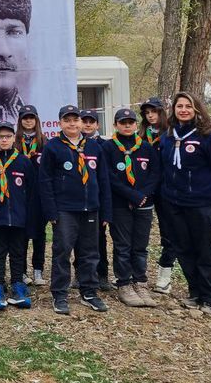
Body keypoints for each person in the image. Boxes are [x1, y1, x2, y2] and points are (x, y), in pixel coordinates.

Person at [159, 91, 211, 315]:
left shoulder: (208, 138)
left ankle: (210, 298)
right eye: (179, 106)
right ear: (174, 110)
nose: (183, 110)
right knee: (183, 249)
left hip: (202, 204)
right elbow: (163, 169)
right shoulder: (167, 138)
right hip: (174, 204)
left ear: (197, 109)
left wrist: (209, 196)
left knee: (204, 251)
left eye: (188, 106)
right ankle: (195, 292)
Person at [39, 105, 112, 315]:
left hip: (91, 209)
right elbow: (45, 182)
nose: (72, 124)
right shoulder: (53, 147)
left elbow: (104, 181)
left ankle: (89, 291)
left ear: (81, 123)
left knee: (90, 253)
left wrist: (106, 211)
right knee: (62, 252)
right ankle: (60, 294)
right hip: (65, 210)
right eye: (67, 120)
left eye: (76, 120)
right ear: (60, 123)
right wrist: (51, 212)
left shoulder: (94, 147)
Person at [101, 108, 160, 308]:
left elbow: (155, 173)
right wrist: (131, 194)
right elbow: (108, 176)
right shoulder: (108, 148)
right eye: (123, 122)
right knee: (123, 246)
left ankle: (140, 282)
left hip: (144, 204)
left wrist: (142, 195)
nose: (127, 126)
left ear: (136, 124)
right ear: (116, 124)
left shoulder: (145, 147)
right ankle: (124, 283)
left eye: (131, 122)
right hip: (120, 204)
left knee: (140, 246)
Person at [0, 122, 36, 311]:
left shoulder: (23, 161)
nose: (4, 139)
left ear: (14, 138)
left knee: (18, 253)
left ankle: (18, 286)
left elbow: (31, 192)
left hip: (18, 217)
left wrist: (30, 217)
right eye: (0, 137)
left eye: (7, 136)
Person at [140, 97, 176, 294]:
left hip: (166, 190)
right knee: (139, 234)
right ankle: (137, 275)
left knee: (169, 234)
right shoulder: (140, 135)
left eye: (153, 111)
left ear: (163, 112)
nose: (150, 115)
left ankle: (164, 276)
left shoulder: (171, 134)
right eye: (146, 112)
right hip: (145, 190)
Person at [76, 108, 113, 291]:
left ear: (98, 125)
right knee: (78, 240)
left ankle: (102, 273)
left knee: (99, 239)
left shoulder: (102, 145)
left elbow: (104, 177)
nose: (88, 124)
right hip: (78, 201)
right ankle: (80, 273)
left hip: (95, 200)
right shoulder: (74, 144)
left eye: (92, 121)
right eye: (85, 121)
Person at [16, 104, 48, 286]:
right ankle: (21, 271)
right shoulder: (15, 143)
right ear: (20, 121)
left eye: (31, 117)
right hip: (20, 194)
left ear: (36, 120)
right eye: (25, 118)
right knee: (21, 234)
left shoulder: (45, 142)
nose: (28, 121)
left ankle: (38, 270)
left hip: (39, 194)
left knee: (39, 234)